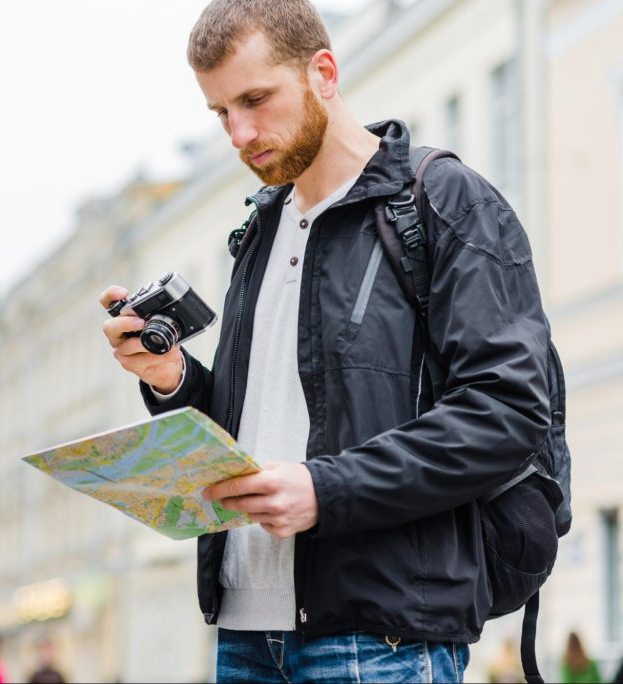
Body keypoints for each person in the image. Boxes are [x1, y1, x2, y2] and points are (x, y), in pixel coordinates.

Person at [99, 1, 552, 682]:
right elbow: (250, 434)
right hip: (245, 634)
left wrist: (325, 490)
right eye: (221, 113)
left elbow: (507, 415)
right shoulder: (258, 230)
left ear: (324, 73)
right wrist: (171, 380)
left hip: (383, 641)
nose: (240, 133)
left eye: (255, 99)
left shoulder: (445, 201)